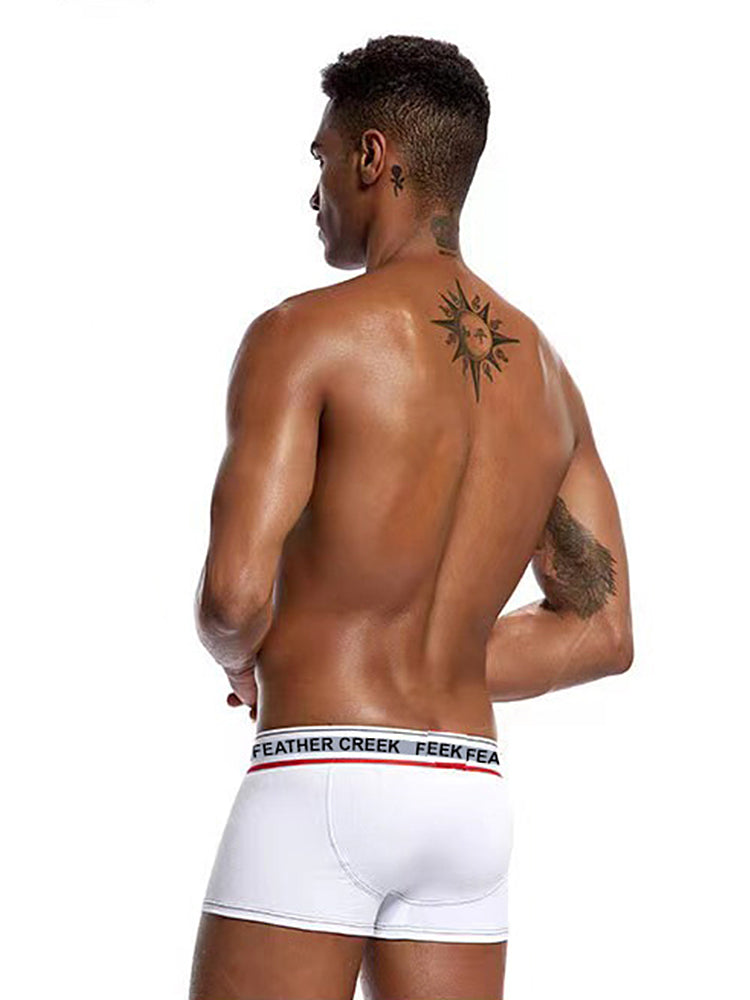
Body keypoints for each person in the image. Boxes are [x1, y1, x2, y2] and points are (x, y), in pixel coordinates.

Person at [188, 34, 634, 1000]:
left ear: (372, 157)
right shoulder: (551, 382)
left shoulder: (302, 335)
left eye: (320, 158)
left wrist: (245, 663)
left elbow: (232, 597)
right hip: (465, 796)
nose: (312, 192)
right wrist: (437, 653)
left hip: (323, 774)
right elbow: (604, 632)